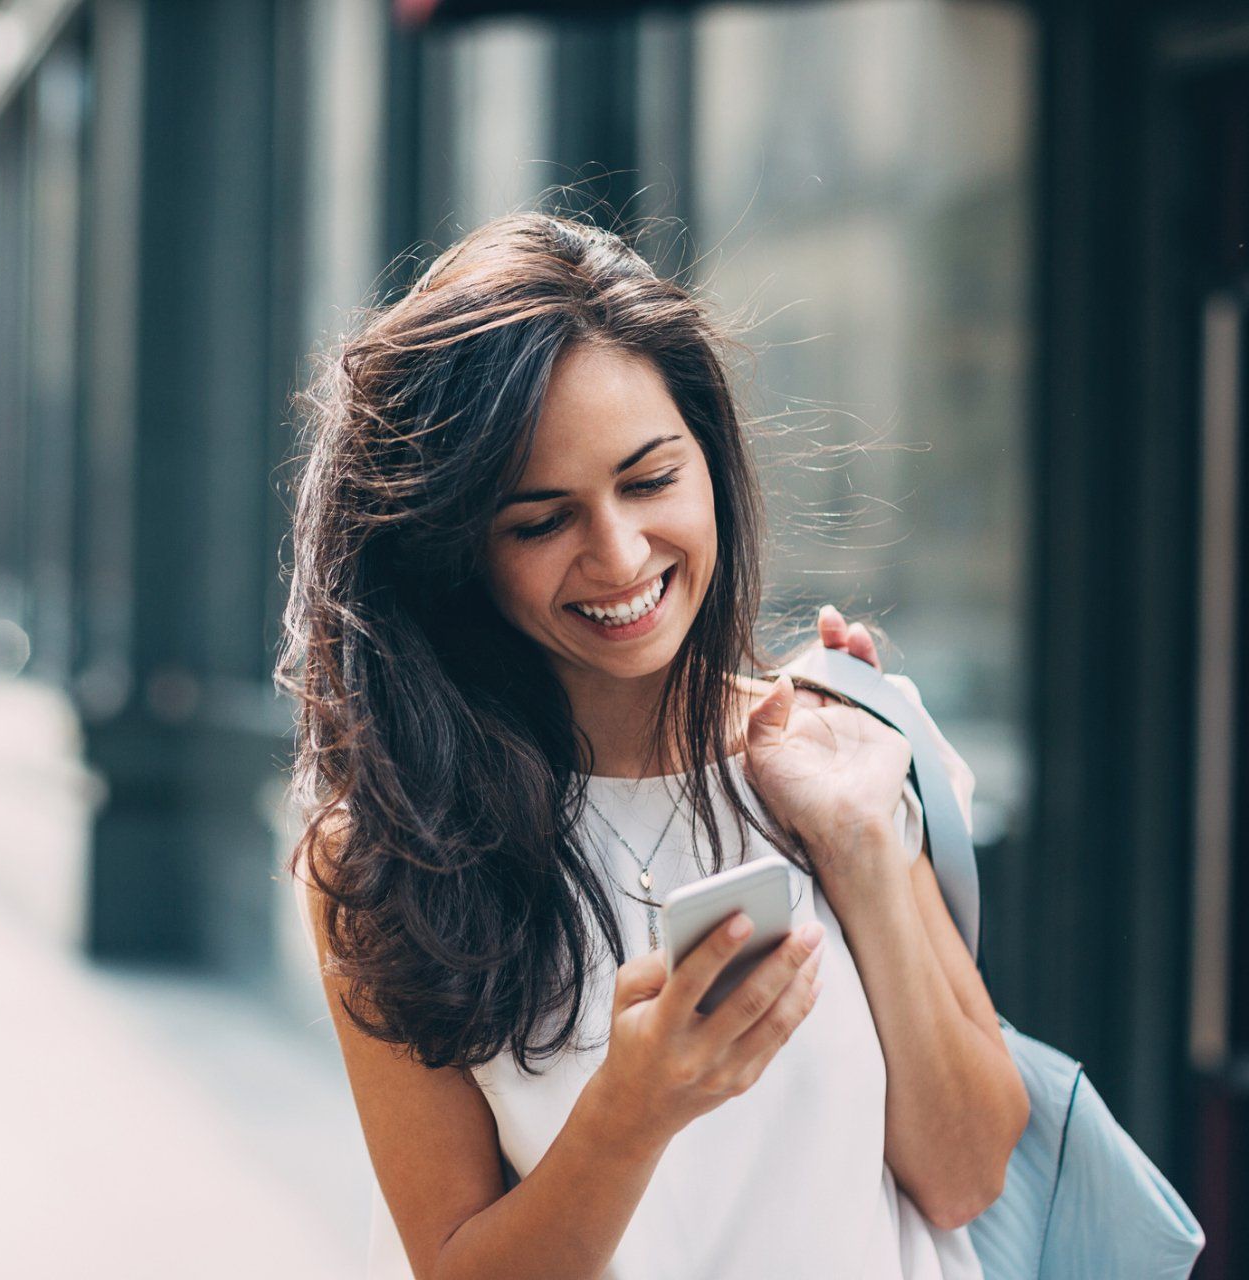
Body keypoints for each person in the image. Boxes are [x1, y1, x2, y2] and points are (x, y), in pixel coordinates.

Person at [276, 212, 1029, 1280]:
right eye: (541, 520)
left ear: (709, 458)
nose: (621, 554)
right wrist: (633, 1109)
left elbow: (966, 1173)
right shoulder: (387, 852)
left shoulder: (835, 749)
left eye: (649, 478)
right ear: (456, 553)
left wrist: (860, 843)